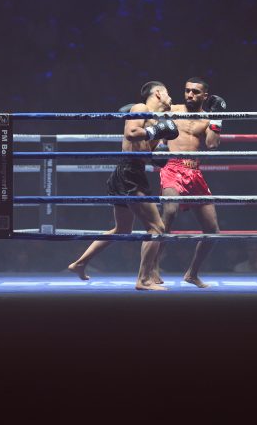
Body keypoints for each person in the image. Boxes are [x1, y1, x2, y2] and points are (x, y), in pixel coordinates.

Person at [68, 81, 179, 290]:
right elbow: (131, 133)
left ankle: (79, 263)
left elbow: (147, 150)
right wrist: (156, 131)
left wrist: (159, 150)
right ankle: (143, 280)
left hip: (130, 171)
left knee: (122, 229)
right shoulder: (140, 108)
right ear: (157, 93)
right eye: (168, 93)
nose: (171, 98)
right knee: (157, 227)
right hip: (130, 174)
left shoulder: (155, 120)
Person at [157, 77, 226, 287]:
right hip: (171, 167)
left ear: (205, 96)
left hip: (194, 172)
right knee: (168, 214)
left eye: (195, 92)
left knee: (213, 231)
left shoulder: (208, 118)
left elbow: (212, 144)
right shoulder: (172, 109)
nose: (190, 95)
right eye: (187, 91)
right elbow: (151, 120)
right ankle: (151, 269)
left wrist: (218, 117)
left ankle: (192, 274)